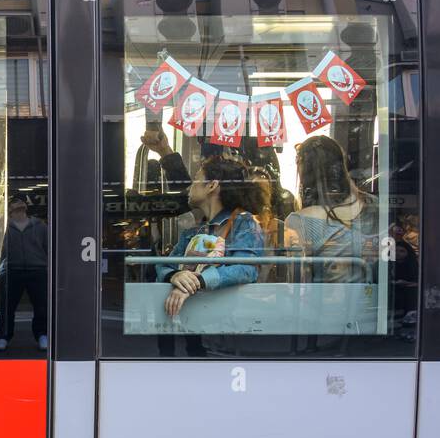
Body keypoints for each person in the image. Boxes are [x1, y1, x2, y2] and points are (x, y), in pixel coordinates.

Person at [156, 154, 264, 318]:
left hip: (225, 318)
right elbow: (164, 265)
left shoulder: (244, 223)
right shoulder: (195, 229)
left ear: (212, 186)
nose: (190, 188)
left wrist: (198, 281)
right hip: (189, 315)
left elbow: (246, 269)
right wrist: (176, 276)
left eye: (196, 180)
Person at [284, 136, 378, 283]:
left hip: (325, 301)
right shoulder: (372, 205)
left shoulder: (300, 220)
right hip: (368, 299)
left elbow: (297, 280)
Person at [0, 197, 48, 351]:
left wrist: (47, 266)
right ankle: (3, 336)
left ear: (25, 207)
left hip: (37, 269)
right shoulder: (4, 227)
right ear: (10, 209)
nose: (19, 206)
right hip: (12, 269)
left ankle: (42, 334)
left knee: (41, 306)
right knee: (7, 306)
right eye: (15, 204)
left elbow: (49, 247)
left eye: (21, 204)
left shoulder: (40, 226)